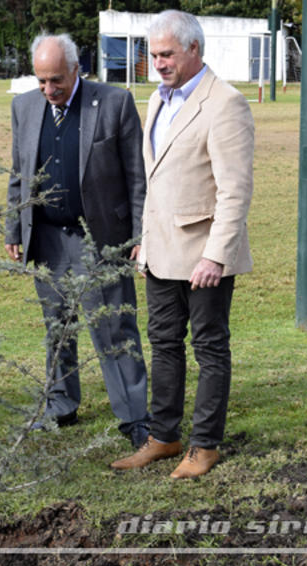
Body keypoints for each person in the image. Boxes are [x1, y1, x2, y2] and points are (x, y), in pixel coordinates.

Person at [110, 10, 254, 478]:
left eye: (167, 54)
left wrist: (216, 254)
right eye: (153, 55)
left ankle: (205, 445)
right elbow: (158, 179)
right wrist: (144, 243)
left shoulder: (226, 103)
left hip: (203, 258)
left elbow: (235, 189)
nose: (159, 63)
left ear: (194, 49)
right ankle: (164, 437)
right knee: (164, 344)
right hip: (159, 253)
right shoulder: (158, 99)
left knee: (210, 349)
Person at [4, 33, 150, 448]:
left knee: (115, 328)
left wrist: (139, 236)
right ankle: (60, 406)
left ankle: (135, 417)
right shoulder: (25, 107)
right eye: (41, 81)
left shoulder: (115, 103)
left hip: (99, 238)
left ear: (76, 70)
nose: (49, 90)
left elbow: (137, 177)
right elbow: (19, 174)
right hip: (47, 239)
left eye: (57, 81)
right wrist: (15, 227)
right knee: (58, 329)